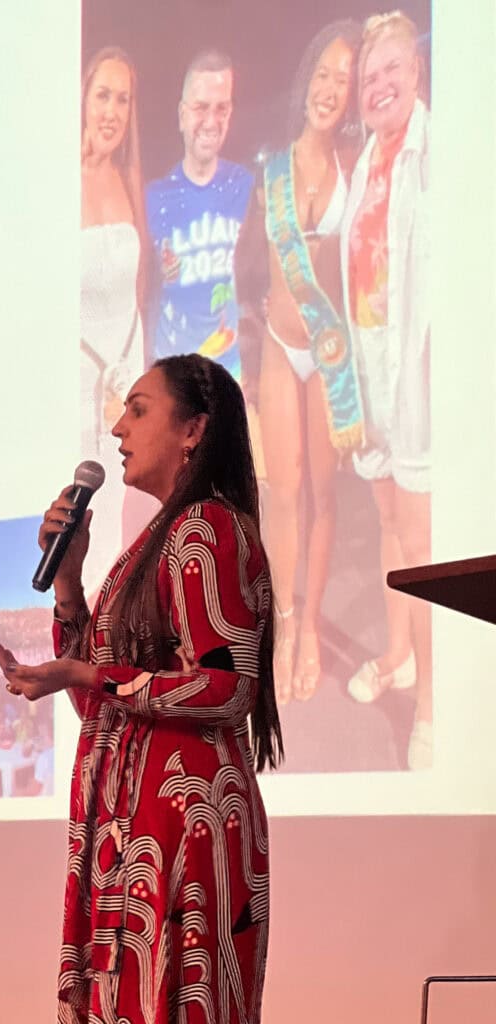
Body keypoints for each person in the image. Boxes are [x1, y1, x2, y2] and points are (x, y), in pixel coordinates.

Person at [0, 353, 282, 1023]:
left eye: (138, 409)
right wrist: (69, 580)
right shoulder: (152, 541)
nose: (118, 428)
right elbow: (99, 704)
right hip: (129, 828)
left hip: (182, 825)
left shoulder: (206, 528)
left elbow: (227, 688)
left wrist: (85, 672)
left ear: (194, 431)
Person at [243, 21, 364, 702]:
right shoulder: (271, 170)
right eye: (323, 74)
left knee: (323, 492)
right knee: (282, 491)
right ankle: (284, 625)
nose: (330, 89)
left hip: (331, 350)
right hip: (281, 346)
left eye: (343, 81)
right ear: (307, 80)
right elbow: (245, 269)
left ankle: (310, 626)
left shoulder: (356, 163)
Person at [340, 11, 431, 769]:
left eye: (391, 71)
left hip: (420, 376)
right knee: (388, 526)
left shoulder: (435, 154)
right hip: (370, 380)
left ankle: (431, 701)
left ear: (418, 74)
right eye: (369, 78)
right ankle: (400, 654)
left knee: (424, 539)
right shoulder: (365, 158)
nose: (379, 85)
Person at [80, 46, 157, 594]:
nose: (112, 110)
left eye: (123, 99)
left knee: (117, 505)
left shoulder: (130, 180)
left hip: (125, 366)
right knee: (77, 508)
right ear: (82, 98)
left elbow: (137, 287)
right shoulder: (55, 183)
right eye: (102, 95)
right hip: (76, 373)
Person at [146, 51, 253, 381]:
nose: (211, 120)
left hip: (227, 372)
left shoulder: (246, 187)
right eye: (200, 108)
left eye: (221, 108)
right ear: (181, 115)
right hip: (172, 374)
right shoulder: (152, 197)